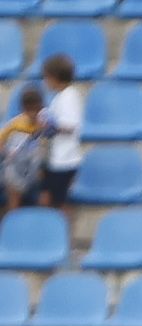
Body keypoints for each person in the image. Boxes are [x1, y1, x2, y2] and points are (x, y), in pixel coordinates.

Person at [38, 56, 85, 220]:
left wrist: (50, 125)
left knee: (60, 203)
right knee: (49, 200)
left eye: (46, 77)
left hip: (64, 160)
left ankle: (65, 239)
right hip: (55, 159)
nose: (45, 82)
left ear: (54, 77)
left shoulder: (68, 97)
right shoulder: (59, 97)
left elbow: (71, 125)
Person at [0, 88, 49, 213]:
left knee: (44, 194)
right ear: (23, 108)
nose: (33, 114)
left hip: (35, 167)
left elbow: (44, 147)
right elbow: (2, 143)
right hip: (16, 167)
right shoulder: (15, 125)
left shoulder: (43, 125)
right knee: (13, 190)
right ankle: (12, 221)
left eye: (36, 110)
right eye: (29, 110)